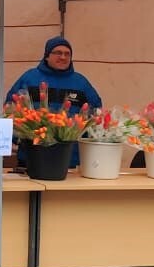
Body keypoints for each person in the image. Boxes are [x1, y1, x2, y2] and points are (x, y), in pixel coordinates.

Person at [6, 36, 103, 169]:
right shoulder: (29, 78)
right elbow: (10, 109)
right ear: (47, 56)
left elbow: (96, 113)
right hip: (32, 155)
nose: (63, 57)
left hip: (69, 158)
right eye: (58, 53)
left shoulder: (81, 83)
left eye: (67, 54)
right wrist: (14, 139)